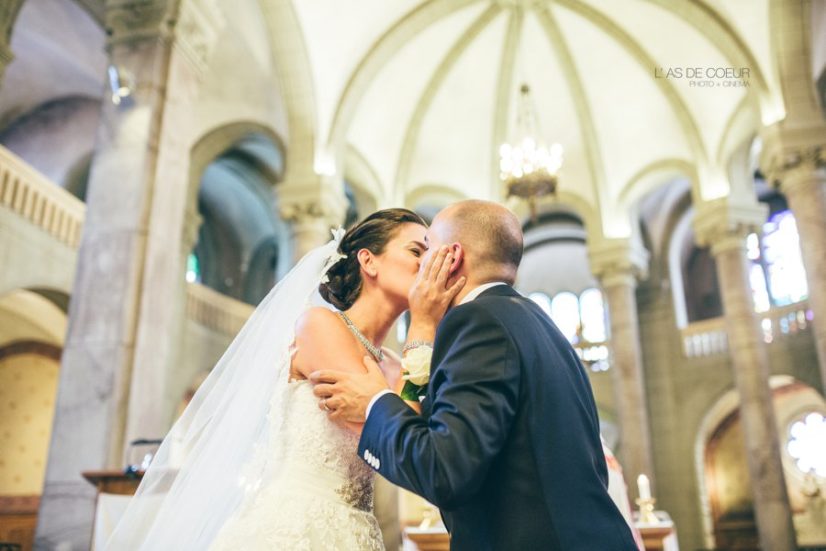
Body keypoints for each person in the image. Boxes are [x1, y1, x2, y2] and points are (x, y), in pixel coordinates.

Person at [105, 208, 463, 550]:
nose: (427, 264)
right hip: (292, 526)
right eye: (417, 250)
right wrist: (423, 324)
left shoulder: (397, 366)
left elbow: (408, 443)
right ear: (368, 261)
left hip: (358, 532)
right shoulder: (319, 325)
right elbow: (383, 429)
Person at [311, 200, 639, 551]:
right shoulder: (540, 324)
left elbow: (445, 471)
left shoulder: (476, 323)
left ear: (451, 257)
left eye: (428, 251)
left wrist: (375, 403)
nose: (422, 266)